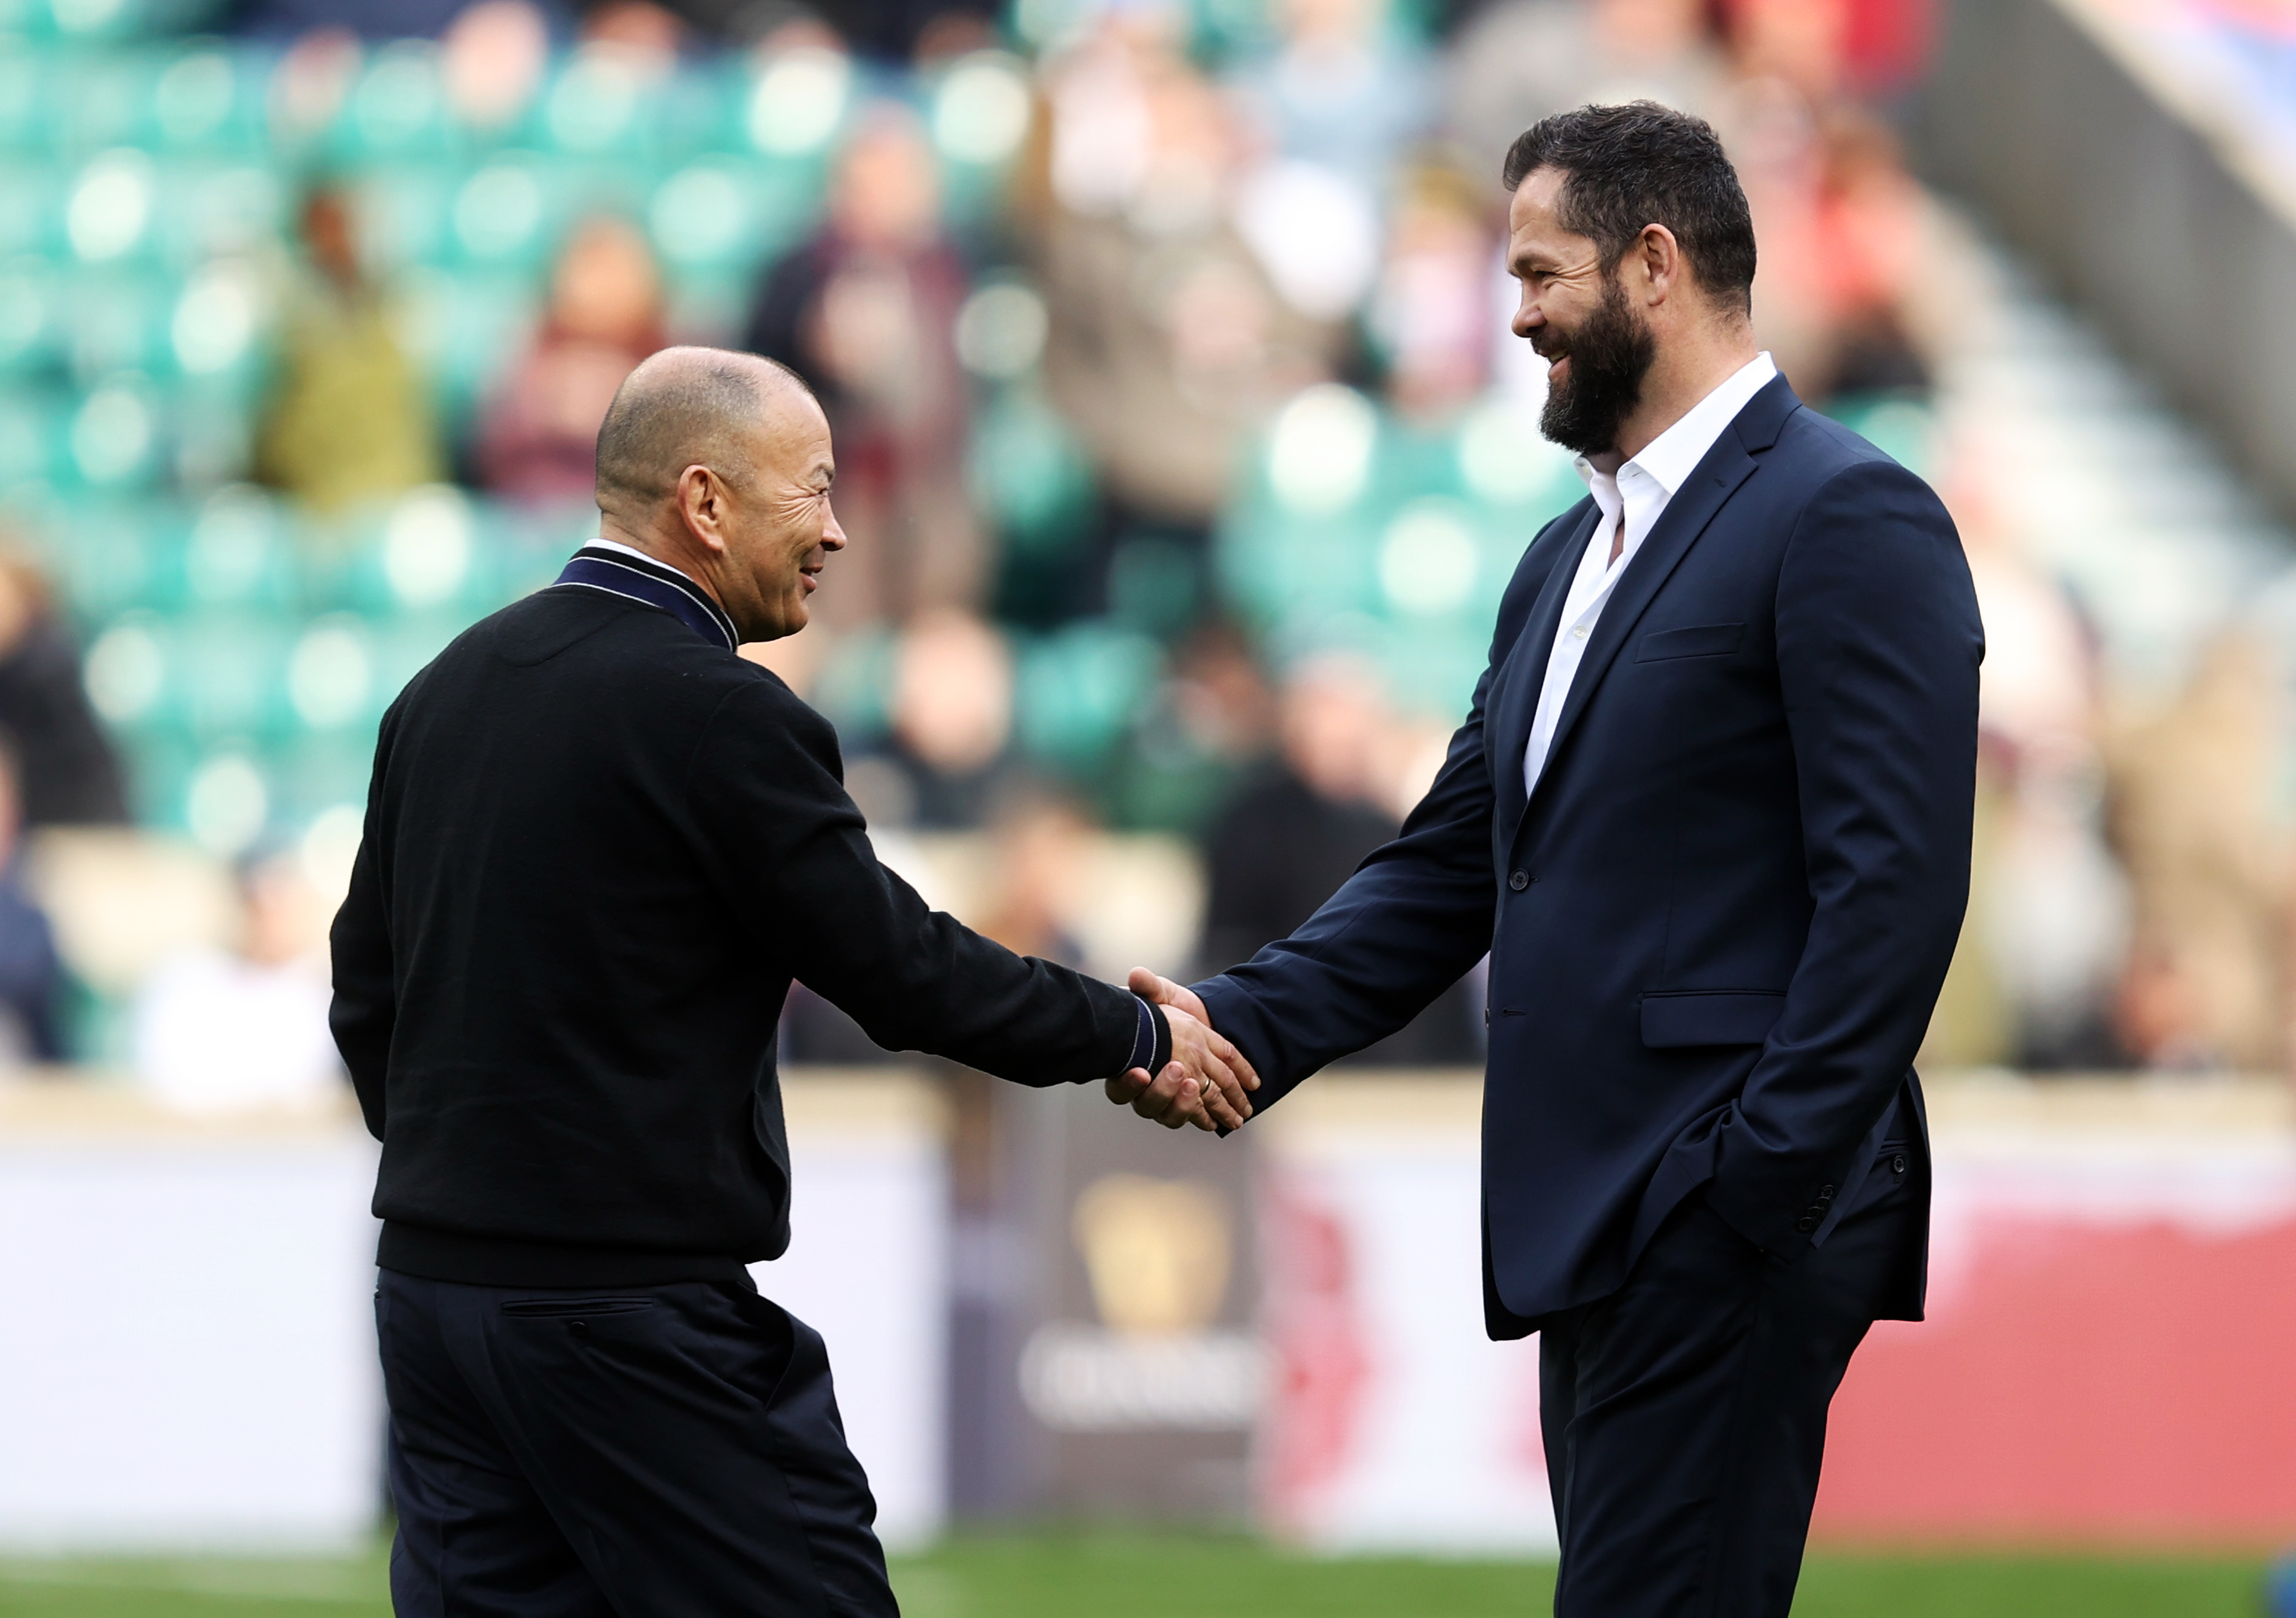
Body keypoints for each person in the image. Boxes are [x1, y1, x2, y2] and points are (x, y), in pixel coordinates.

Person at [1126, 103, 1981, 1615]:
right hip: (1598, 1207)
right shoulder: (1558, 558)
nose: (1508, 311)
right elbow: (1448, 865)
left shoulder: (1844, 511)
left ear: (1653, 264)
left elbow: (1894, 890)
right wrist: (1232, 1024)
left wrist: (1752, 1180)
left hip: (1717, 1203)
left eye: (1537, 272)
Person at [331, 345, 1251, 1616]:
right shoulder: (720, 712)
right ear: (704, 504)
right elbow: (903, 971)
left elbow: (364, 993)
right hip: (626, 1319)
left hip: (434, 1305)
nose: (834, 530)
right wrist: (1130, 1028)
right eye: (810, 491)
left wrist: (475, 1185)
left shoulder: (442, 691)